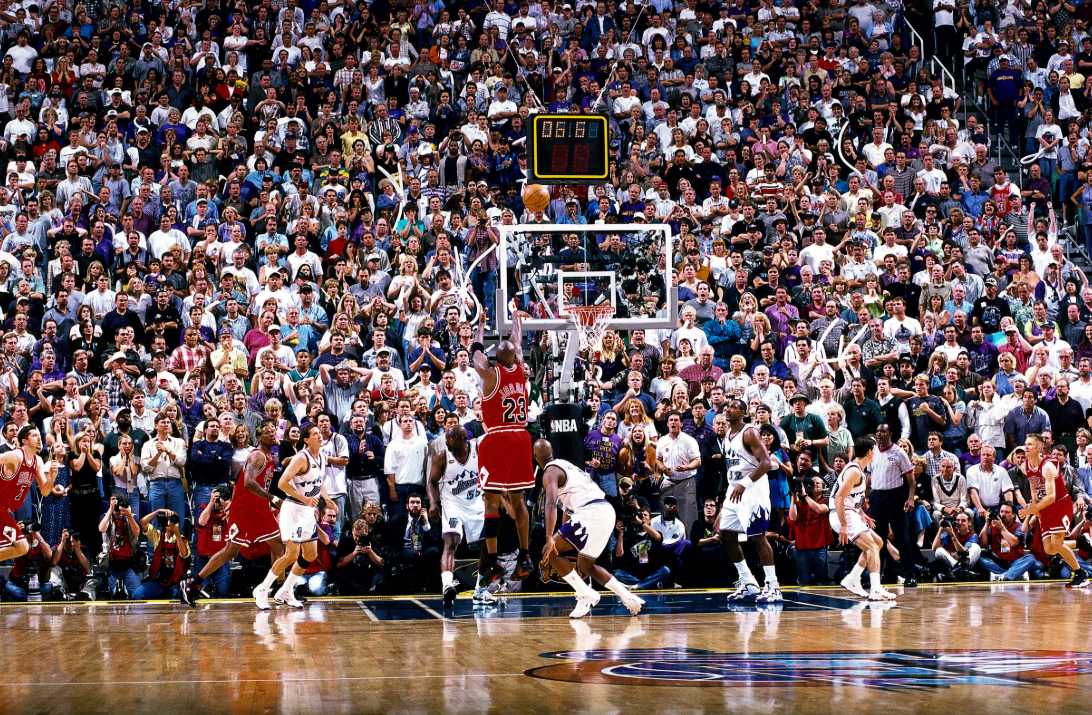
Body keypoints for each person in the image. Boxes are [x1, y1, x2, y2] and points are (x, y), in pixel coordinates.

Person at [180, 420, 286, 606]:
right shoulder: (257, 456)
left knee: (278, 545)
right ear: (259, 438)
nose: (272, 434)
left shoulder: (269, 457)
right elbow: (248, 483)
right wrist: (273, 498)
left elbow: (239, 481)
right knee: (230, 551)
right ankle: (193, 584)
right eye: (267, 432)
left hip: (259, 509)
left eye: (273, 431)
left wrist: (233, 502)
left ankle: (281, 589)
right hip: (246, 510)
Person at [535, 439, 644, 617]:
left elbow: (551, 504)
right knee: (585, 565)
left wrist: (549, 536)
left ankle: (585, 594)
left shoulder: (549, 472)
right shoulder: (565, 465)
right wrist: (562, 533)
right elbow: (567, 509)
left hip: (591, 512)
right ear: (552, 451)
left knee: (551, 552)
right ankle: (628, 597)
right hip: (605, 511)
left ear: (534, 456)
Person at [471, 314, 534, 583]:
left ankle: (494, 559)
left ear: (495, 358)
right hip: (521, 436)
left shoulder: (489, 373)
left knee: (491, 499)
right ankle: (525, 554)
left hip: (498, 437)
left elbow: (474, 354)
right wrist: (516, 319)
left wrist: (482, 326)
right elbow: (517, 342)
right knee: (518, 500)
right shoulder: (519, 368)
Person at [253, 424, 330, 609]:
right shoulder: (301, 458)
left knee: (310, 554)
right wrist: (305, 498)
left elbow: (319, 482)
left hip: (307, 512)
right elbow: (282, 483)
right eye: (315, 434)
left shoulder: (322, 456)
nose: (320, 436)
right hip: (293, 509)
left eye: (321, 433)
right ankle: (262, 589)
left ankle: (286, 590)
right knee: (291, 555)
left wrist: (327, 499)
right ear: (306, 439)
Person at [426, 424, 495, 608]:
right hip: (452, 503)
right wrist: (433, 503)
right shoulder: (442, 456)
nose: (446, 440)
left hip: (475, 503)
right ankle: (447, 585)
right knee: (451, 542)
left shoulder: (478, 449)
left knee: (486, 549)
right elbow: (432, 482)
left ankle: (480, 592)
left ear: (462, 440)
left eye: (449, 437)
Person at [718, 398, 780, 603]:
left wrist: (744, 483)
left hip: (752, 489)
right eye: (727, 408)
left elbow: (767, 463)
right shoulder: (728, 434)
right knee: (725, 534)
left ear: (743, 412)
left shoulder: (750, 432)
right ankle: (748, 582)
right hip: (734, 489)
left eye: (733, 408)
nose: (728, 410)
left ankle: (773, 586)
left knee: (758, 537)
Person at [830, 436, 898, 601]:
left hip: (850, 512)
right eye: (874, 449)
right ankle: (875, 589)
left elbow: (850, 497)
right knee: (872, 548)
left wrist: (861, 514)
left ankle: (853, 578)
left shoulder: (859, 469)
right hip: (842, 514)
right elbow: (839, 498)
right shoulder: (854, 471)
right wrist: (845, 525)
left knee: (879, 543)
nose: (875, 452)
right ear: (869, 451)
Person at [1019, 433, 1087, 587]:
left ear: (1038, 448)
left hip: (1060, 504)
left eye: (1029, 444)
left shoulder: (1048, 466)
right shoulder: (1025, 466)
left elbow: (1051, 496)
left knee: (1056, 543)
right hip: (1045, 506)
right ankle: (1078, 542)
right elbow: (1033, 485)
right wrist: (1035, 506)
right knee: (1049, 549)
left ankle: (1080, 574)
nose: (1026, 447)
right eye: (1025, 443)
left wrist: (1030, 510)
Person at [868, 423, 918, 586]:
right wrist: (865, 496)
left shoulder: (899, 452)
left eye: (883, 431)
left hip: (894, 496)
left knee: (902, 537)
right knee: (877, 539)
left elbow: (910, 478)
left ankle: (909, 575)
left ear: (890, 434)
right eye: (877, 430)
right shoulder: (873, 451)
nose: (879, 433)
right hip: (876, 497)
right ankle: (878, 576)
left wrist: (910, 498)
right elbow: (870, 475)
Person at [0, 426, 58, 562]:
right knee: (21, 546)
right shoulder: (17, 455)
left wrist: (52, 477)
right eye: (34, 436)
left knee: (22, 548)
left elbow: (45, 491)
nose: (39, 438)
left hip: (5, 511)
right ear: (24, 441)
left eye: (39, 435)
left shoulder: (37, 461)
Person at [787, 475, 833, 585]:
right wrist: (793, 496)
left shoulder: (827, 501)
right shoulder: (800, 503)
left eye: (818, 483)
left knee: (821, 582)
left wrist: (805, 496)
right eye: (813, 483)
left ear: (823, 486)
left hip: (820, 547)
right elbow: (793, 517)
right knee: (805, 582)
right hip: (802, 547)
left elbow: (819, 509)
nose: (816, 484)